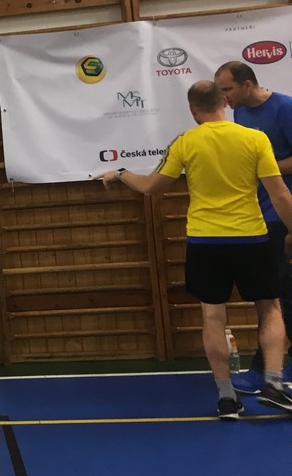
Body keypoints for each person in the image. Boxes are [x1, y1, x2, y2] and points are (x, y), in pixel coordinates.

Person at [99, 79, 292, 418]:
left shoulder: (185, 142)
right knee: (270, 307)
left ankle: (227, 398)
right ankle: (274, 385)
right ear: (224, 103)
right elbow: (279, 194)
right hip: (251, 237)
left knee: (213, 316)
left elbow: (150, 187)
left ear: (192, 110)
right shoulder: (255, 138)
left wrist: (121, 172)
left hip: (205, 241)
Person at [213, 61, 292, 393]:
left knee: (277, 294)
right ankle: (270, 368)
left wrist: (263, 167)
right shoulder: (240, 112)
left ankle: (266, 370)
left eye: (227, 89)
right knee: (274, 294)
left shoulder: (285, 108)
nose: (223, 97)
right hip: (257, 214)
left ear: (247, 84)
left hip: (283, 213)